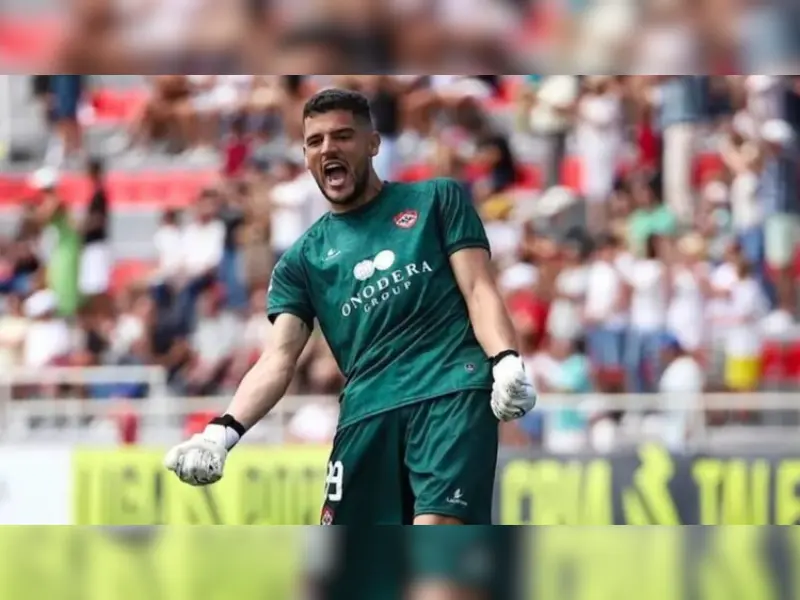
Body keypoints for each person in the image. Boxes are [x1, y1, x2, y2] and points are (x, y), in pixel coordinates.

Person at [164, 88, 537, 525]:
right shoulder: (300, 261)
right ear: (306, 156)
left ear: (373, 144)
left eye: (342, 136)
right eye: (315, 141)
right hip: (364, 417)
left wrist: (506, 360)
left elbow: (479, 290)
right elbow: (279, 358)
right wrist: (221, 432)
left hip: (449, 391)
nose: (328, 148)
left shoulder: (437, 200)